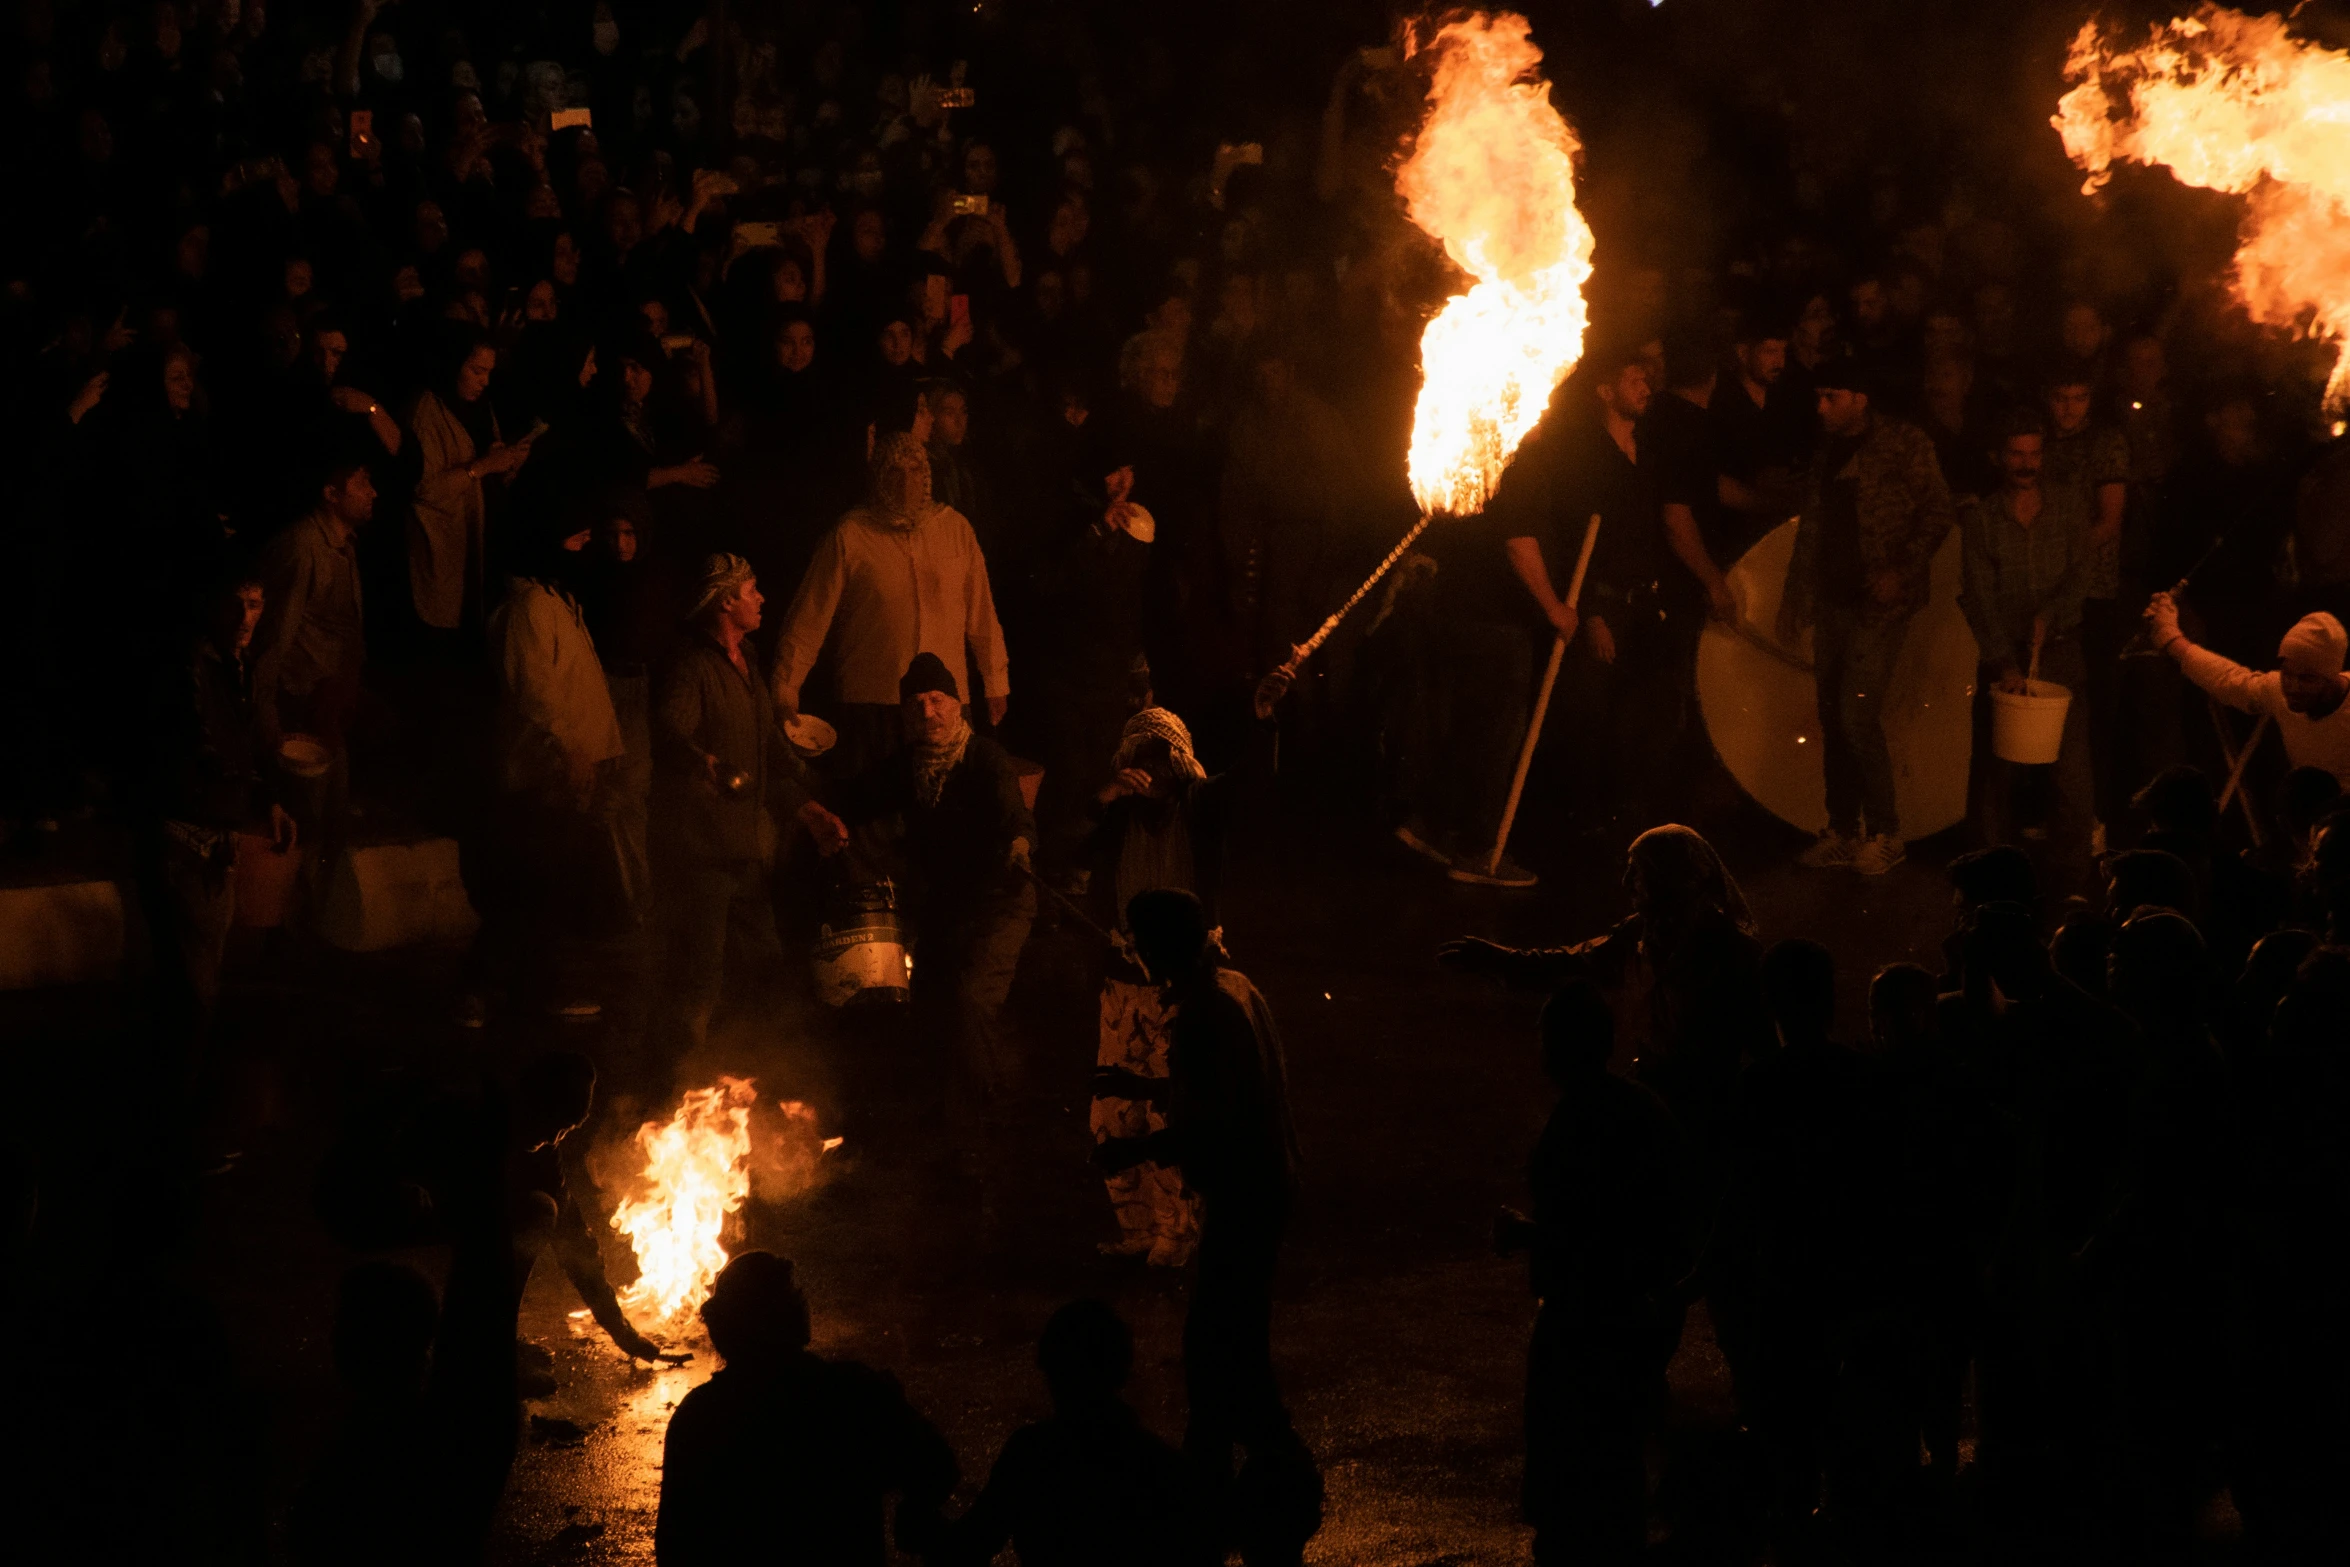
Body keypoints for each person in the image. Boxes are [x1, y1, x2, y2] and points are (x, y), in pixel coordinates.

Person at [1096, 889, 1316, 1563]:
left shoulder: (1202, 1014)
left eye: (1139, 940)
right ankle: (1229, 1480)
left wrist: (1136, 1147)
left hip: (1247, 1191)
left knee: (1220, 1343)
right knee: (1227, 1337)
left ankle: (1267, 1482)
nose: (1134, 952)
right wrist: (1152, 1097)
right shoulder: (1234, 985)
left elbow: (1214, 1123)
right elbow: (1230, 1093)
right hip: (1266, 1182)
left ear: (1159, 947)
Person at [1083, 680, 1287, 1265]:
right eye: (1139, 758)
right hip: (1123, 983)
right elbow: (1071, 842)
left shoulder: (1202, 806)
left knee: (1169, 1109)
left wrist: (1263, 720)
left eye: (1161, 757)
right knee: (1113, 1113)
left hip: (1183, 983)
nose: (1152, 771)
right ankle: (1139, 1227)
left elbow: (1252, 783)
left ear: (1179, 759)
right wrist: (1104, 796)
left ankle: (1179, 1232)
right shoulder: (1117, 815)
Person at [804, 654, 1037, 1161]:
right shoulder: (907, 768)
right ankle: (948, 1123)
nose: (927, 713)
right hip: (946, 911)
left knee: (970, 1003)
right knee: (929, 1009)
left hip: (1000, 904)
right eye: (915, 704)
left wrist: (1017, 845)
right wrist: (811, 805)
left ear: (957, 706)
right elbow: (853, 797)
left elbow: (1014, 813)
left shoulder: (984, 758)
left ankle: (976, 1133)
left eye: (937, 700)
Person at [1495, 981, 1689, 1566]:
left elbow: (1594, 1234)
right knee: (1617, 1480)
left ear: (1558, 1046)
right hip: (1634, 1321)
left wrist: (1526, 1234)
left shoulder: (1582, 1119)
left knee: (1569, 1491)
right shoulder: (1641, 1108)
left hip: (1584, 1325)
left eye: (1544, 1036)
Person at [656, 1252, 956, 1566]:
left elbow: (674, 1545)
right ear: (793, 1318)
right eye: (795, 1295)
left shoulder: (700, 1416)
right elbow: (939, 1466)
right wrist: (914, 1514)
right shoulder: (853, 1395)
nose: (803, 1302)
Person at [1778, 356, 1955, 875]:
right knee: (1834, 714)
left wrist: (1900, 571)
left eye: (1831, 396)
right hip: (1835, 599)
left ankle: (1884, 831)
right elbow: (1812, 527)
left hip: (1880, 603)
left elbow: (1938, 511)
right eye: (1819, 396)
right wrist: (1796, 596)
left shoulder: (1905, 443)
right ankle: (1842, 829)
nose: (1821, 406)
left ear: (1859, 397)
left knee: (1855, 713)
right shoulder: (1828, 449)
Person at [651, 555, 822, 1067]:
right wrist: (702, 761)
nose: (761, 598)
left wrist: (810, 802)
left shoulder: (747, 657)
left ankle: (762, 1075)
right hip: (701, 856)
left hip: (744, 853)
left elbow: (769, 747)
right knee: (697, 980)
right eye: (752, 590)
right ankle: (672, 1092)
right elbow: (668, 731)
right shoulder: (693, 666)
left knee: (765, 967)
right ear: (726, 601)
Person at [772, 431, 1011, 774]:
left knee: (945, 810)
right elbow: (809, 617)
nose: (906, 481)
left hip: (944, 705)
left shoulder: (955, 530)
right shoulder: (851, 535)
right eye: (894, 472)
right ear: (878, 478)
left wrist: (995, 680)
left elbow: (981, 614)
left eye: (915, 470)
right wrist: (785, 689)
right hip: (872, 704)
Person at [465, 518, 626, 1023]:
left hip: (563, 776)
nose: (585, 547)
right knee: (529, 889)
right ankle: (482, 989)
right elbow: (536, 694)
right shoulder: (530, 608)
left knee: (544, 891)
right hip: (542, 777)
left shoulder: (557, 603)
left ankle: (525, 990)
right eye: (574, 538)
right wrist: (571, 753)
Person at [137, 571, 297, 1055]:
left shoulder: (238, 666)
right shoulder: (190, 667)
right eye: (236, 604)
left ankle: (175, 1096)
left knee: (196, 984)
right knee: (193, 992)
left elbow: (245, 747)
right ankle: (173, 1104)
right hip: (186, 840)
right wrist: (250, 789)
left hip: (214, 839)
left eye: (255, 605)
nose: (245, 618)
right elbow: (203, 751)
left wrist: (269, 799)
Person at [932, 1300, 1211, 1566]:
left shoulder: (1031, 1456)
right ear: (1121, 1371)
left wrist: (928, 1534)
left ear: (1051, 1370)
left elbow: (970, 1545)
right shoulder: (1165, 1470)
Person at [1958, 413, 2097, 896]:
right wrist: (2006, 664)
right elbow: (1975, 594)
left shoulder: (2067, 507)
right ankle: (1989, 881)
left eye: (2035, 453)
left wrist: (2053, 613)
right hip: (2005, 659)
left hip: (2061, 654)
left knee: (2072, 774)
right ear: (1999, 457)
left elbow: (2083, 573)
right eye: (2017, 454)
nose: (2027, 463)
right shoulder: (1981, 519)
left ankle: (2073, 883)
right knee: (1996, 774)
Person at [506, 1053, 676, 1391]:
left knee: (546, 1210)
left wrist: (622, 1332)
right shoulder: (472, 1118)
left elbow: (573, 1242)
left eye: (568, 1129)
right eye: (555, 1122)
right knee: (534, 1212)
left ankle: (497, 1340)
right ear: (532, 1100)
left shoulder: (541, 1147)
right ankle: (489, 1355)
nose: (555, 1138)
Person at [409, 332, 533, 643]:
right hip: (444, 546)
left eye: (489, 372)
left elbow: (487, 465)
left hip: (480, 539)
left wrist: (508, 461)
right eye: (476, 371)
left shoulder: (480, 406)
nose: (484, 381)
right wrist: (484, 466)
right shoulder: (427, 412)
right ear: (453, 365)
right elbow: (425, 488)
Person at [2145, 600, 2350, 788]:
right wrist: (2170, 636)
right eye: (2287, 674)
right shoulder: (2278, 690)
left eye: (2307, 679)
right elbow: (2228, 680)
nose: (2293, 687)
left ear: (2331, 676)